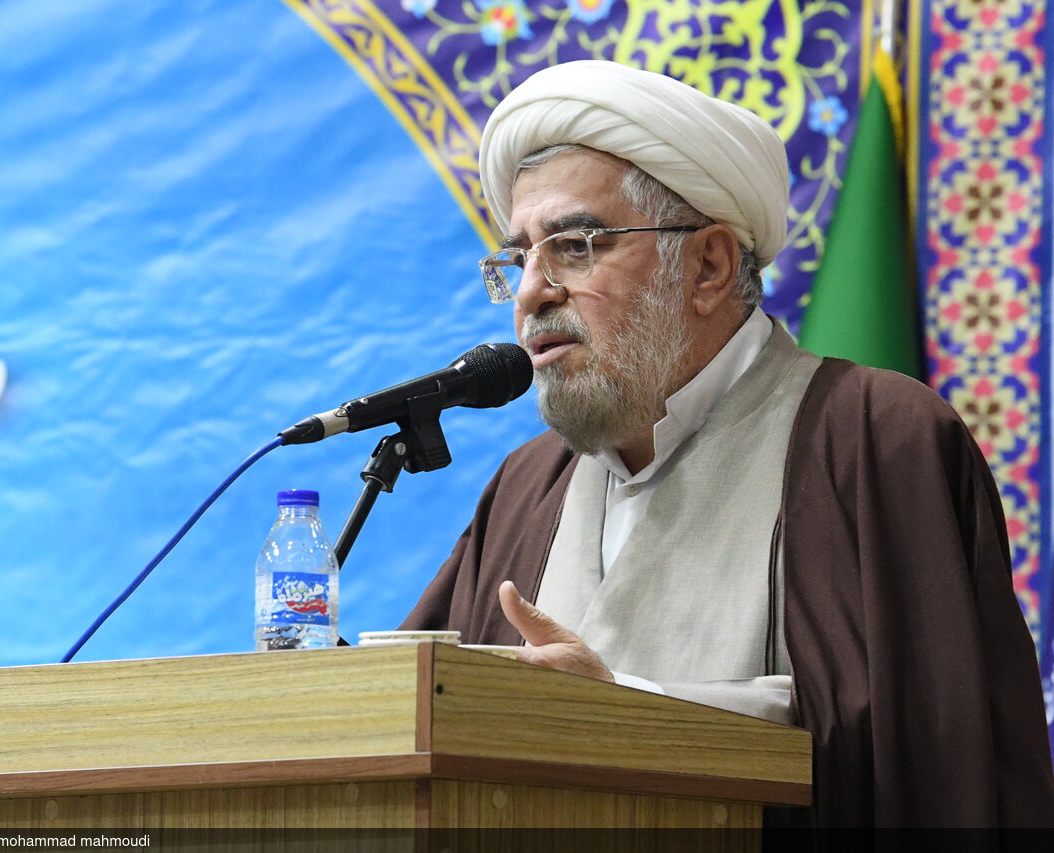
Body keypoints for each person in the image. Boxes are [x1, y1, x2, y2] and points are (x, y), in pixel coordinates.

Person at [400, 60, 1054, 827]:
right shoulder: (525, 488)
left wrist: (619, 716)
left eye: (574, 246)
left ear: (708, 265)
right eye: (518, 258)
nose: (530, 293)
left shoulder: (875, 442)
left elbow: (930, 763)